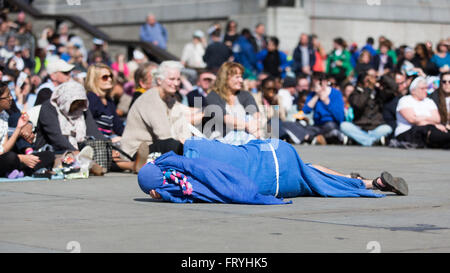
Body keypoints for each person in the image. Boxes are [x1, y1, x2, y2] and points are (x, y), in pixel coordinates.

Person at [137, 138, 409, 205]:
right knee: (309, 170)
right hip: (274, 150)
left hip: (275, 180)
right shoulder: (195, 148)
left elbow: (230, 189)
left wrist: (166, 195)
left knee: (311, 182)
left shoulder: (193, 185)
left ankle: (368, 183)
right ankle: (358, 179)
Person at [121, 61, 198, 172]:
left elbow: (182, 121)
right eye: (171, 79)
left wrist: (189, 142)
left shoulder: (170, 99)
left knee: (187, 145)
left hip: (156, 146)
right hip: (136, 151)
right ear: (159, 80)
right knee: (173, 144)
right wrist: (185, 144)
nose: (176, 83)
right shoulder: (151, 98)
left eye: (178, 79)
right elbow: (164, 134)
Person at [0, 82, 54, 178]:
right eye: (7, 96)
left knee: (48, 156)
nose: (11, 98)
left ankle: (17, 171)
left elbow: (5, 147)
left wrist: (19, 128)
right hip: (5, 158)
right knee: (11, 158)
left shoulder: (3, 115)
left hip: (6, 155)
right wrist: (20, 158)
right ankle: (21, 170)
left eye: (10, 95)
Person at [203, 62, 261, 143]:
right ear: (225, 78)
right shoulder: (213, 96)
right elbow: (225, 118)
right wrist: (247, 125)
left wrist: (255, 125)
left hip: (248, 134)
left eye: (241, 77)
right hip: (222, 138)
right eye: (237, 77)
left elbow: (256, 114)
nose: (241, 80)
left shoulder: (245, 95)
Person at [340, 71, 393, 146]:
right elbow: (359, 105)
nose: (371, 81)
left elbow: (394, 88)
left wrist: (382, 77)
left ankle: (364, 140)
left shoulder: (379, 93)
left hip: (375, 128)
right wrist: (368, 89)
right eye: (368, 80)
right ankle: (369, 141)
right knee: (344, 126)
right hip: (359, 127)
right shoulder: (355, 94)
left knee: (387, 128)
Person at [395, 76, 450, 149]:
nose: (425, 90)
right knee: (425, 129)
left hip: (430, 130)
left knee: (441, 133)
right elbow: (413, 120)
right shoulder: (405, 100)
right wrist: (433, 123)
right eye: (422, 88)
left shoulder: (429, 101)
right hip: (408, 131)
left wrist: (422, 118)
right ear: (413, 90)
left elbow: (437, 119)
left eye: (426, 88)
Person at [302, 72, 347, 144]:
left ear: (325, 82)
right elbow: (305, 110)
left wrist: (327, 102)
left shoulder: (336, 93)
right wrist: (317, 95)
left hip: (331, 124)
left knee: (331, 128)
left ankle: (315, 138)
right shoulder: (312, 94)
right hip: (317, 125)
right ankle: (319, 138)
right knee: (302, 128)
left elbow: (340, 117)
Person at [84, 64, 124, 140]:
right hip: (96, 143)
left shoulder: (108, 100)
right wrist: (110, 141)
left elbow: (118, 126)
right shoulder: (92, 98)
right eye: (105, 77)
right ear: (94, 80)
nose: (110, 79)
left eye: (111, 76)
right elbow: (89, 128)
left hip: (108, 141)